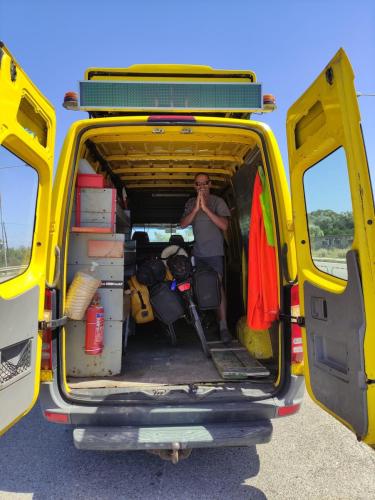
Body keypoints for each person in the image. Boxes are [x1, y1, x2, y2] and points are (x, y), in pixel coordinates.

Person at [180, 173, 232, 343]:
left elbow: (224, 225)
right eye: (198, 184)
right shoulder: (190, 203)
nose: (201, 186)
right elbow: (183, 224)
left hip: (215, 253)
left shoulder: (218, 202)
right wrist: (196, 208)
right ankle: (205, 321)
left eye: (204, 183)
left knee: (217, 287)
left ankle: (223, 327)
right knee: (200, 287)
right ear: (194, 186)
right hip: (198, 254)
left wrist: (206, 208)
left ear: (210, 184)